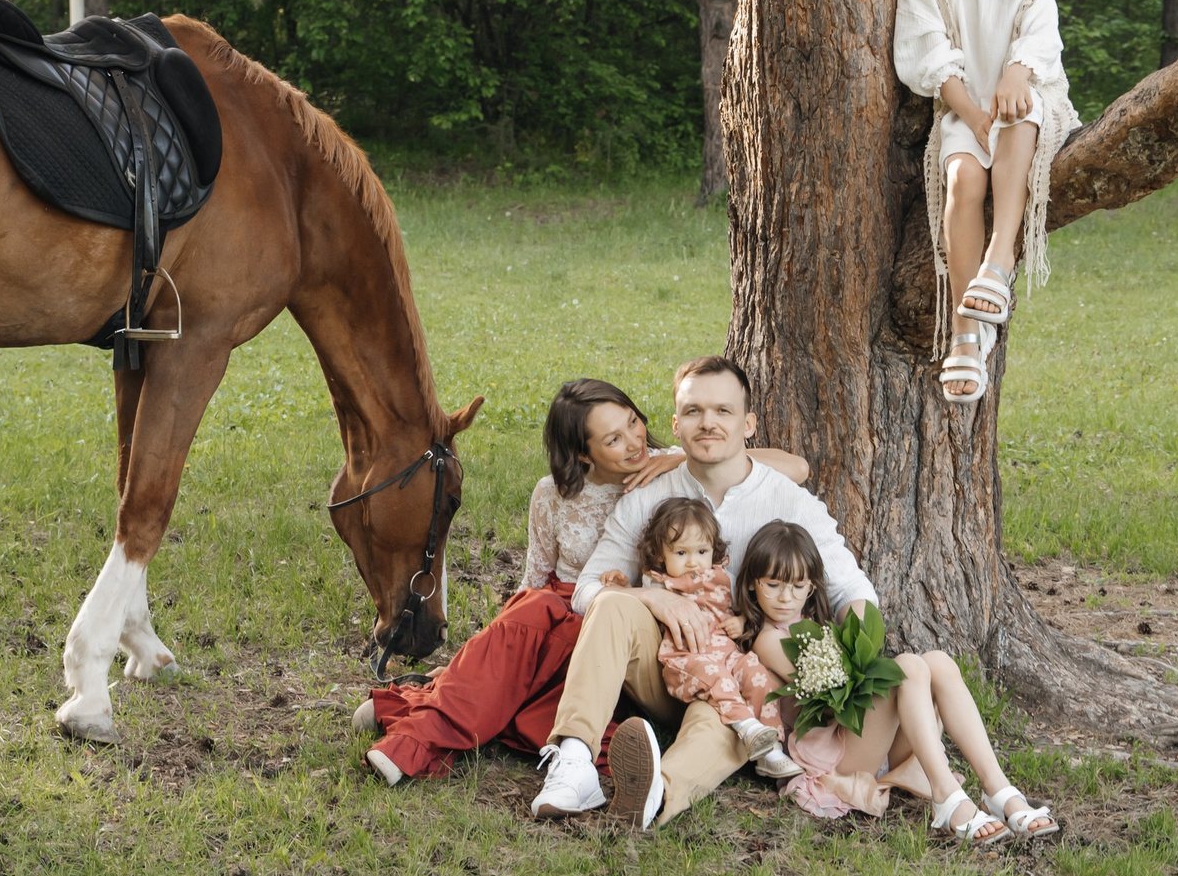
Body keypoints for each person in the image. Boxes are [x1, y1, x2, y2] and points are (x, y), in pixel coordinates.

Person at [354, 378, 806, 785]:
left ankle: (423, 716)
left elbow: (796, 467)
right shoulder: (549, 494)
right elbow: (534, 578)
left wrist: (678, 458)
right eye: (614, 438)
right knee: (531, 611)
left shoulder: (668, 468)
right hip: (554, 609)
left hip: (618, 622)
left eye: (633, 423)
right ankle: (436, 712)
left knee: (530, 648)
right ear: (584, 454)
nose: (634, 442)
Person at [531, 355, 878, 830]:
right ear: (676, 424)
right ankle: (573, 762)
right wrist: (654, 597)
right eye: (694, 411)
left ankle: (655, 794)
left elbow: (852, 590)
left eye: (723, 411)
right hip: (668, 662)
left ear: (749, 423)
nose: (708, 422)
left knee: (729, 717)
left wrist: (846, 671)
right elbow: (586, 590)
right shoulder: (648, 495)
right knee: (613, 601)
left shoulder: (788, 499)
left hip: (744, 671)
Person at [892, 0, 1081, 407]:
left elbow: (1040, 39)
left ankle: (998, 264)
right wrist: (973, 115)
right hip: (961, 109)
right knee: (962, 182)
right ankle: (966, 333)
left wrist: (1016, 74)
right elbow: (928, 55)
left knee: (1020, 119)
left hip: (1025, 104)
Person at [735, 521, 1057, 842]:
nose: (784, 597)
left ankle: (996, 788)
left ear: (811, 587)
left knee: (939, 664)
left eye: (795, 585)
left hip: (870, 743)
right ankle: (945, 795)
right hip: (834, 760)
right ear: (752, 584)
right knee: (907, 668)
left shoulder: (813, 625)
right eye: (773, 585)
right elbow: (831, 697)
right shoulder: (767, 637)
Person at [637, 498, 793, 775]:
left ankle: (771, 749)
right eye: (681, 553)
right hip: (686, 658)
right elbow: (634, 597)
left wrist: (740, 620)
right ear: (661, 555)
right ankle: (747, 727)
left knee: (758, 674)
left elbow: (746, 608)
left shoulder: (724, 578)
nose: (693, 562)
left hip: (728, 654)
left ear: (713, 549)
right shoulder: (658, 581)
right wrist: (616, 582)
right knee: (718, 678)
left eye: (701, 551)